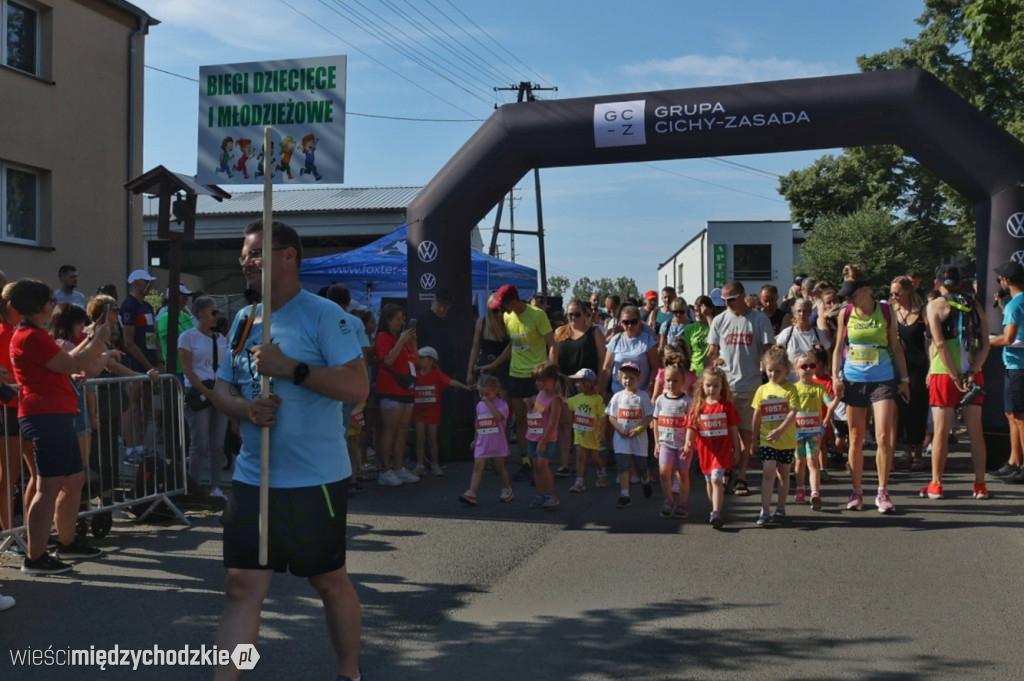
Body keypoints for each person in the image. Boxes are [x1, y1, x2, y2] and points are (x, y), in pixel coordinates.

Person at [211, 220, 368, 681]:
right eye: (244, 254)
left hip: (312, 479)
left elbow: (358, 386)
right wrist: (245, 409)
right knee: (242, 586)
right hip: (251, 476)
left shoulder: (325, 316)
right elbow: (222, 388)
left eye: (256, 252)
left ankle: (349, 673)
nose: (246, 261)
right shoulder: (245, 319)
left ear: (289, 256)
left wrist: (291, 368)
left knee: (327, 581)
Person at [9, 279, 111, 575]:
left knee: (74, 480)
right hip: (46, 416)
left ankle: (66, 541)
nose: (53, 304)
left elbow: (66, 361)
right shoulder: (31, 335)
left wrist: (90, 339)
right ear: (42, 305)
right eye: (50, 300)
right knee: (48, 487)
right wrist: (98, 340)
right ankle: (36, 557)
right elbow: (71, 365)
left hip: (53, 414)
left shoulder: (32, 332)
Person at [831, 264, 910, 514]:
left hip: (882, 379)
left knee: (884, 436)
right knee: (855, 437)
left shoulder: (886, 311)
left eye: (852, 293)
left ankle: (883, 491)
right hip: (854, 379)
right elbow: (837, 348)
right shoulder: (846, 313)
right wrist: (835, 376)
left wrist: (905, 380)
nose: (849, 298)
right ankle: (856, 491)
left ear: (866, 290)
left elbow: (895, 346)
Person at [922, 265, 990, 501]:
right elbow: (986, 343)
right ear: (960, 283)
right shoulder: (975, 305)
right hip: (972, 372)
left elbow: (939, 344)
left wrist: (952, 375)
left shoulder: (935, 305)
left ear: (937, 283)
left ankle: (936, 484)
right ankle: (980, 484)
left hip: (944, 374)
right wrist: (973, 370)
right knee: (975, 431)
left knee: (940, 431)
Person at [705, 280, 776, 496]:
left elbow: (768, 351)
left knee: (747, 436)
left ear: (742, 296)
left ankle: (742, 477)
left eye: (731, 300)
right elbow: (712, 351)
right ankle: (726, 472)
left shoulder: (759, 319)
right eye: (724, 300)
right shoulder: (719, 320)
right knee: (724, 435)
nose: (727, 304)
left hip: (750, 386)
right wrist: (706, 376)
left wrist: (769, 372)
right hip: (725, 389)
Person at [490, 285, 555, 482]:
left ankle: (540, 462)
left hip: (537, 377)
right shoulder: (508, 317)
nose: (502, 310)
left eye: (504, 306)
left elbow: (552, 344)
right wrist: (494, 363)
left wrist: (551, 374)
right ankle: (526, 462)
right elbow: (514, 344)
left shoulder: (537, 315)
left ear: (515, 301)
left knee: (538, 420)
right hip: (516, 374)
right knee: (520, 419)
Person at [179, 296, 229, 499]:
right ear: (200, 314)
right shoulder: (187, 337)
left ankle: (216, 485)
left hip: (218, 391)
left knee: (217, 444)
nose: (216, 316)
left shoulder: (220, 338)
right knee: (199, 443)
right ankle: (195, 486)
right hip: (199, 392)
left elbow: (225, 366)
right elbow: (187, 369)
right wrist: (206, 391)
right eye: (212, 312)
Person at [551, 298, 607, 475]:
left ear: (585, 315)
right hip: (565, 383)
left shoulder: (594, 332)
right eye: (569, 314)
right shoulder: (560, 332)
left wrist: (600, 384)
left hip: (587, 384)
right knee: (565, 425)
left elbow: (603, 360)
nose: (573, 318)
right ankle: (565, 465)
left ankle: (594, 464)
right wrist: (554, 383)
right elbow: (552, 359)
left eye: (577, 314)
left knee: (586, 426)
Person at [684, 366, 741, 529]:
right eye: (708, 385)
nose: (712, 389)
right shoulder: (698, 406)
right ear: (702, 385)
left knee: (716, 479)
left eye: (715, 385)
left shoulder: (726, 406)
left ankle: (716, 511)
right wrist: (688, 444)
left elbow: (734, 428)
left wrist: (737, 449)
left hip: (722, 451)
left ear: (722, 386)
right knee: (709, 481)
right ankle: (714, 508)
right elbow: (691, 426)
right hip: (705, 451)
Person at [373, 303, 420, 487]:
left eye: (403, 319)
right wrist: (401, 341)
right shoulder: (383, 337)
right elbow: (388, 359)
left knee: (402, 429)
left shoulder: (402, 339)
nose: (401, 323)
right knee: (390, 430)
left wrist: (413, 343)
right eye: (398, 319)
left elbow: (414, 360)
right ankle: (385, 470)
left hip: (406, 388)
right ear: (388, 320)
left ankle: (399, 467)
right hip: (390, 390)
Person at [120, 269, 162, 459]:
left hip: (149, 361)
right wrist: (147, 365)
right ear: (136, 282)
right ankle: (130, 446)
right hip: (134, 363)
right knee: (133, 405)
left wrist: (158, 359)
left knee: (146, 406)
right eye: (146, 281)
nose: (149, 285)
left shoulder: (147, 306)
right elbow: (128, 341)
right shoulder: (128, 305)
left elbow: (153, 335)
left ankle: (142, 444)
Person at [412, 346, 472, 476]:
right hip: (419, 413)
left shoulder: (437, 375)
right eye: (419, 358)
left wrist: (465, 387)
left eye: (422, 358)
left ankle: (435, 465)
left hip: (433, 413)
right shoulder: (415, 375)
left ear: (431, 360)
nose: (419, 360)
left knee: (432, 439)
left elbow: (451, 382)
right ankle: (419, 465)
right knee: (419, 439)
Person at [889, 276, 929, 471]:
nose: (894, 296)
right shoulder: (891, 313)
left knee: (918, 408)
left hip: (919, 367)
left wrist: (930, 367)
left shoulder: (922, 312)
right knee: (901, 409)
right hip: (897, 367)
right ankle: (905, 450)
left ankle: (918, 453)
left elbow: (930, 341)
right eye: (892, 293)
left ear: (908, 291)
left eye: (897, 292)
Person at [990, 261, 1024, 484]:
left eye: (1000, 278)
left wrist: (986, 341)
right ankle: (1014, 461)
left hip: (1017, 367)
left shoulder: (1015, 305)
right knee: (1012, 415)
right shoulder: (1014, 303)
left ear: (1007, 280)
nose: (999, 281)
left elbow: (1009, 338)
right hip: (1016, 366)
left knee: (1019, 418)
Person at [607, 360, 655, 509]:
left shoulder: (643, 397)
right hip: (622, 439)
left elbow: (649, 416)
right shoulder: (617, 397)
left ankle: (645, 480)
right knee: (623, 466)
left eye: (631, 378)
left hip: (638, 439)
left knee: (641, 467)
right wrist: (620, 430)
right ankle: (625, 495)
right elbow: (611, 416)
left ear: (638, 379)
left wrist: (640, 429)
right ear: (621, 378)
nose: (628, 381)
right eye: (625, 378)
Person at [459, 374, 513, 505]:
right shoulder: (480, 405)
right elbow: (478, 423)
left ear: (496, 390)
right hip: (482, 441)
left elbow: (499, 417)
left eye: (487, 394)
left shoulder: (501, 404)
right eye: (481, 393)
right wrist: (475, 439)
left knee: (499, 466)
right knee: (477, 466)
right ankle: (472, 492)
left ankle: (507, 489)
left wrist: (489, 402)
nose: (483, 397)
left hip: (497, 441)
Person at [792, 351, 836, 510]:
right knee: (799, 461)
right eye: (804, 366)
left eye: (812, 365)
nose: (809, 369)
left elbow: (830, 405)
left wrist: (839, 395)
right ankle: (800, 488)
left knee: (812, 460)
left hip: (814, 431)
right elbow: (788, 410)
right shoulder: (793, 389)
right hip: (797, 432)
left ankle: (815, 493)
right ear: (796, 369)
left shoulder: (819, 388)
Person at [654, 363, 692, 518]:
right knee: (664, 473)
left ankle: (683, 503)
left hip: (682, 445)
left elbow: (691, 424)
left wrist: (688, 443)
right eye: (668, 380)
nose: (671, 384)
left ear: (682, 381)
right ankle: (669, 500)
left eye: (675, 381)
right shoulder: (660, 400)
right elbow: (656, 421)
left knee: (682, 474)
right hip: (665, 444)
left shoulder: (687, 401)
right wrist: (657, 443)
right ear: (663, 380)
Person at [599, 304, 660, 398]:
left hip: (641, 394)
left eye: (633, 321)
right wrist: (602, 391)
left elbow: (654, 367)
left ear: (639, 322)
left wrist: (650, 387)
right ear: (621, 322)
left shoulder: (648, 340)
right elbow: (607, 368)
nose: (630, 325)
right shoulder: (615, 340)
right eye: (626, 322)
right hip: (617, 394)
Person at [524, 361, 562, 510]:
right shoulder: (540, 394)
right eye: (537, 380)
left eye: (542, 380)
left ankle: (551, 495)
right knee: (535, 466)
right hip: (532, 435)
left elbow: (553, 422)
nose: (538, 383)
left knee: (542, 465)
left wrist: (544, 441)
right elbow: (537, 412)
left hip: (545, 438)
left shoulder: (555, 399)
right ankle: (540, 494)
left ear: (552, 380)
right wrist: (530, 406)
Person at [566, 368, 607, 492]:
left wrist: (602, 432)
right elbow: (564, 403)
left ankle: (601, 471)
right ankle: (579, 481)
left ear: (588, 383)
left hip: (593, 435)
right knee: (580, 455)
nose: (576, 385)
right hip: (579, 434)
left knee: (594, 457)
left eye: (579, 382)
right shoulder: (576, 398)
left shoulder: (597, 400)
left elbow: (602, 417)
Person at [774, 298, 831, 382]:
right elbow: (776, 353)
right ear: (794, 313)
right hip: (791, 381)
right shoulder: (787, 334)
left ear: (810, 313)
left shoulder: (818, 334)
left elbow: (828, 353)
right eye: (799, 311)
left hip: (813, 382)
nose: (802, 314)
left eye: (805, 311)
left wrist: (828, 370)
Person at [466, 293, 510, 390]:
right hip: (484, 365)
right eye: (495, 310)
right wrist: (469, 371)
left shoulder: (509, 323)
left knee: (503, 402)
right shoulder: (481, 322)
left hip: (504, 367)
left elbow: (511, 347)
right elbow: (475, 348)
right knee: (484, 400)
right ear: (489, 310)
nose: (499, 314)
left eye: (502, 310)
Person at [155, 283, 195, 378]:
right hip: (175, 370)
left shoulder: (185, 316)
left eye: (186, 296)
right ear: (173, 297)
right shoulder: (165, 318)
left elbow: (195, 337)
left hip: (188, 369)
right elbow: (173, 343)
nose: (186, 299)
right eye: (183, 296)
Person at [681, 295, 714, 375]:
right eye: (696, 311)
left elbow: (716, 334)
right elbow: (687, 352)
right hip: (694, 371)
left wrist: (708, 315)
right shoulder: (690, 328)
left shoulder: (714, 325)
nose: (699, 314)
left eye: (701, 310)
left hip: (711, 371)